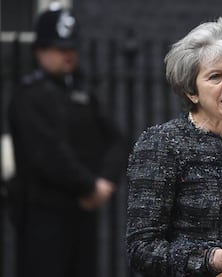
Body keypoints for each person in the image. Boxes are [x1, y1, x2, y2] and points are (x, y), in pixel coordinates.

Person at [126, 17, 222, 276]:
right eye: (216, 76)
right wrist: (210, 259)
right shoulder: (162, 144)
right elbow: (141, 249)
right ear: (191, 92)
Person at [8, 4, 127, 277]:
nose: (68, 55)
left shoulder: (83, 93)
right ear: (40, 50)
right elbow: (47, 154)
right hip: (43, 215)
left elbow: (116, 139)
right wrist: (90, 185)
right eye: (60, 48)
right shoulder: (28, 96)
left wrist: (105, 183)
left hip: (84, 213)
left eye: (71, 48)